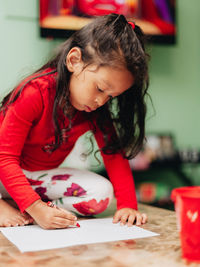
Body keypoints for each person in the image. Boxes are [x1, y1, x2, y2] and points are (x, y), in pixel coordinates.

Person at [0, 13, 149, 229]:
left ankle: (22, 202)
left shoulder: (96, 110)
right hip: (3, 169)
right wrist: (35, 206)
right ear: (74, 61)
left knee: (102, 194)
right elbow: (4, 158)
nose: (101, 101)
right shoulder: (35, 92)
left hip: (35, 179)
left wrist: (127, 205)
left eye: (110, 96)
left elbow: (114, 155)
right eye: (99, 89)